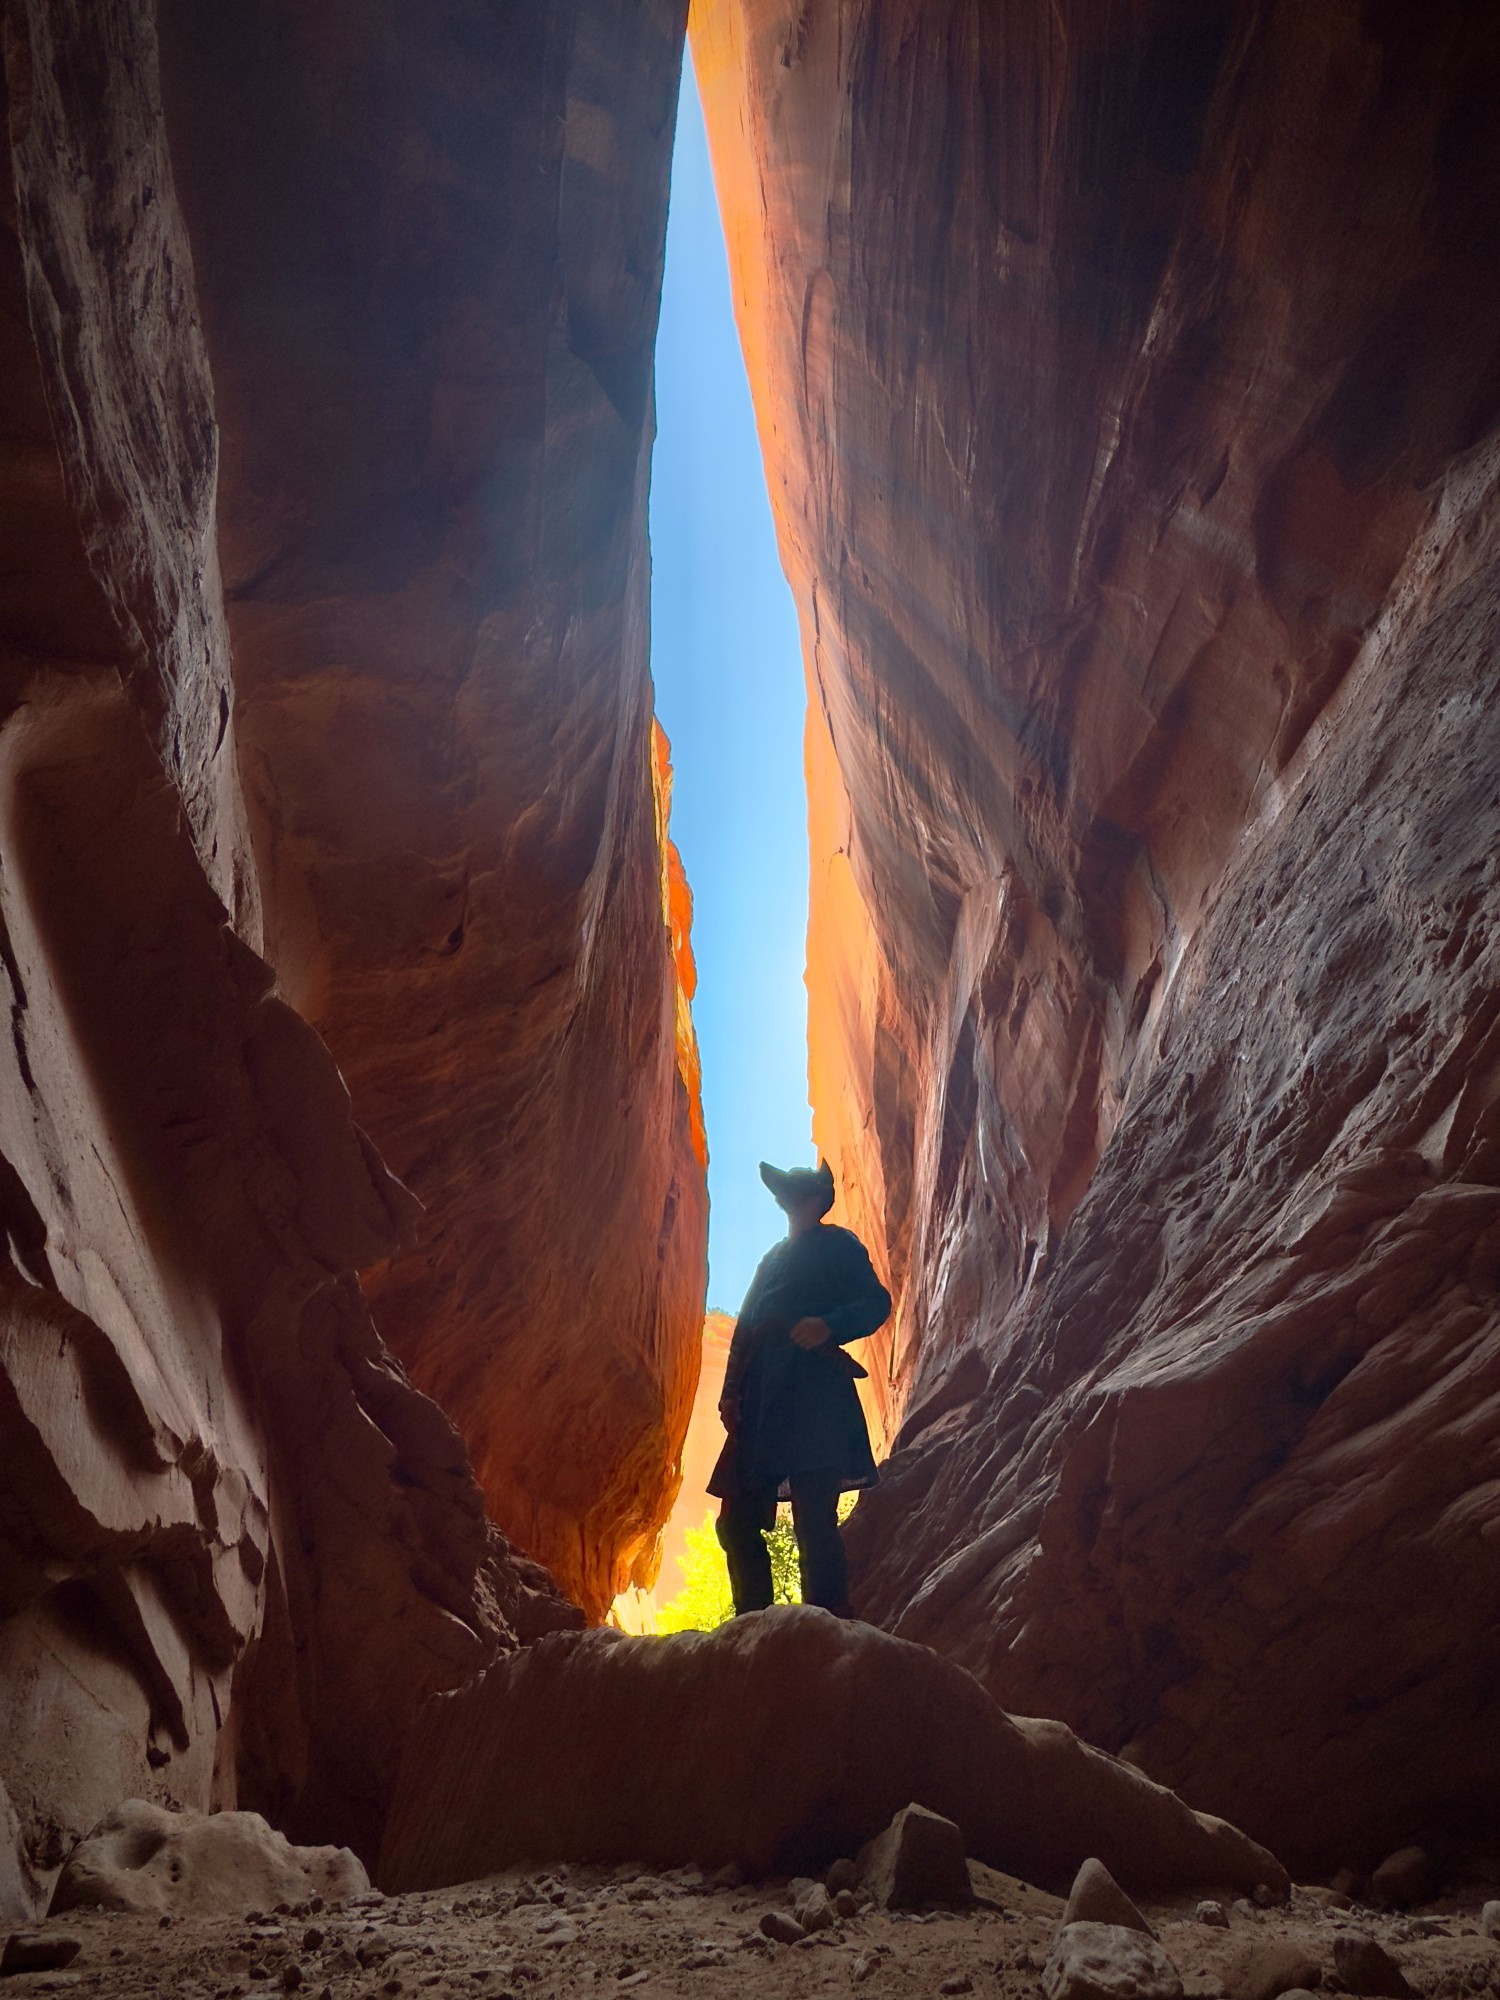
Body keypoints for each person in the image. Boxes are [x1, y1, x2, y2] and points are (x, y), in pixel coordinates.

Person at [708, 1160, 892, 1617]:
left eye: (792, 1190)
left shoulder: (839, 1244)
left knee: (814, 1516)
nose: (782, 1197)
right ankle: (752, 1622)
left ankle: (828, 1622)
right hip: (762, 1398)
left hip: (815, 1394)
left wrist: (828, 1325)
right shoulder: (770, 1260)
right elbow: (745, 1330)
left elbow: (876, 1302)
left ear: (815, 1199)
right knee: (736, 1522)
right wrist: (732, 1392)